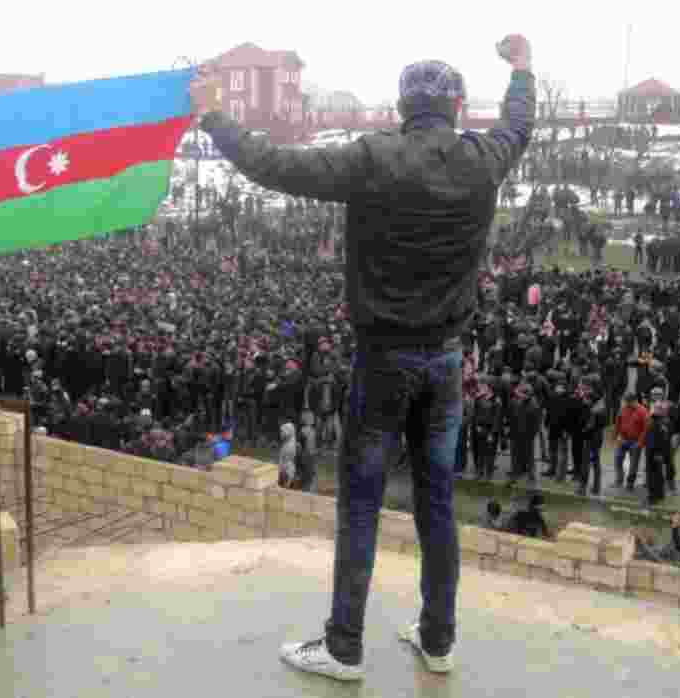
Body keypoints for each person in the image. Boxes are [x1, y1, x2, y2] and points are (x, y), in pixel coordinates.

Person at [192, 35, 536, 680]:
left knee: (360, 503)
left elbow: (272, 165)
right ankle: (438, 638)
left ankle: (344, 646)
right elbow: (520, 122)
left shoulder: (372, 159)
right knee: (438, 502)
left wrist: (213, 114)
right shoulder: (484, 159)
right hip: (446, 361)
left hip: (381, 361)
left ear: (403, 107)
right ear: (458, 107)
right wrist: (521, 68)